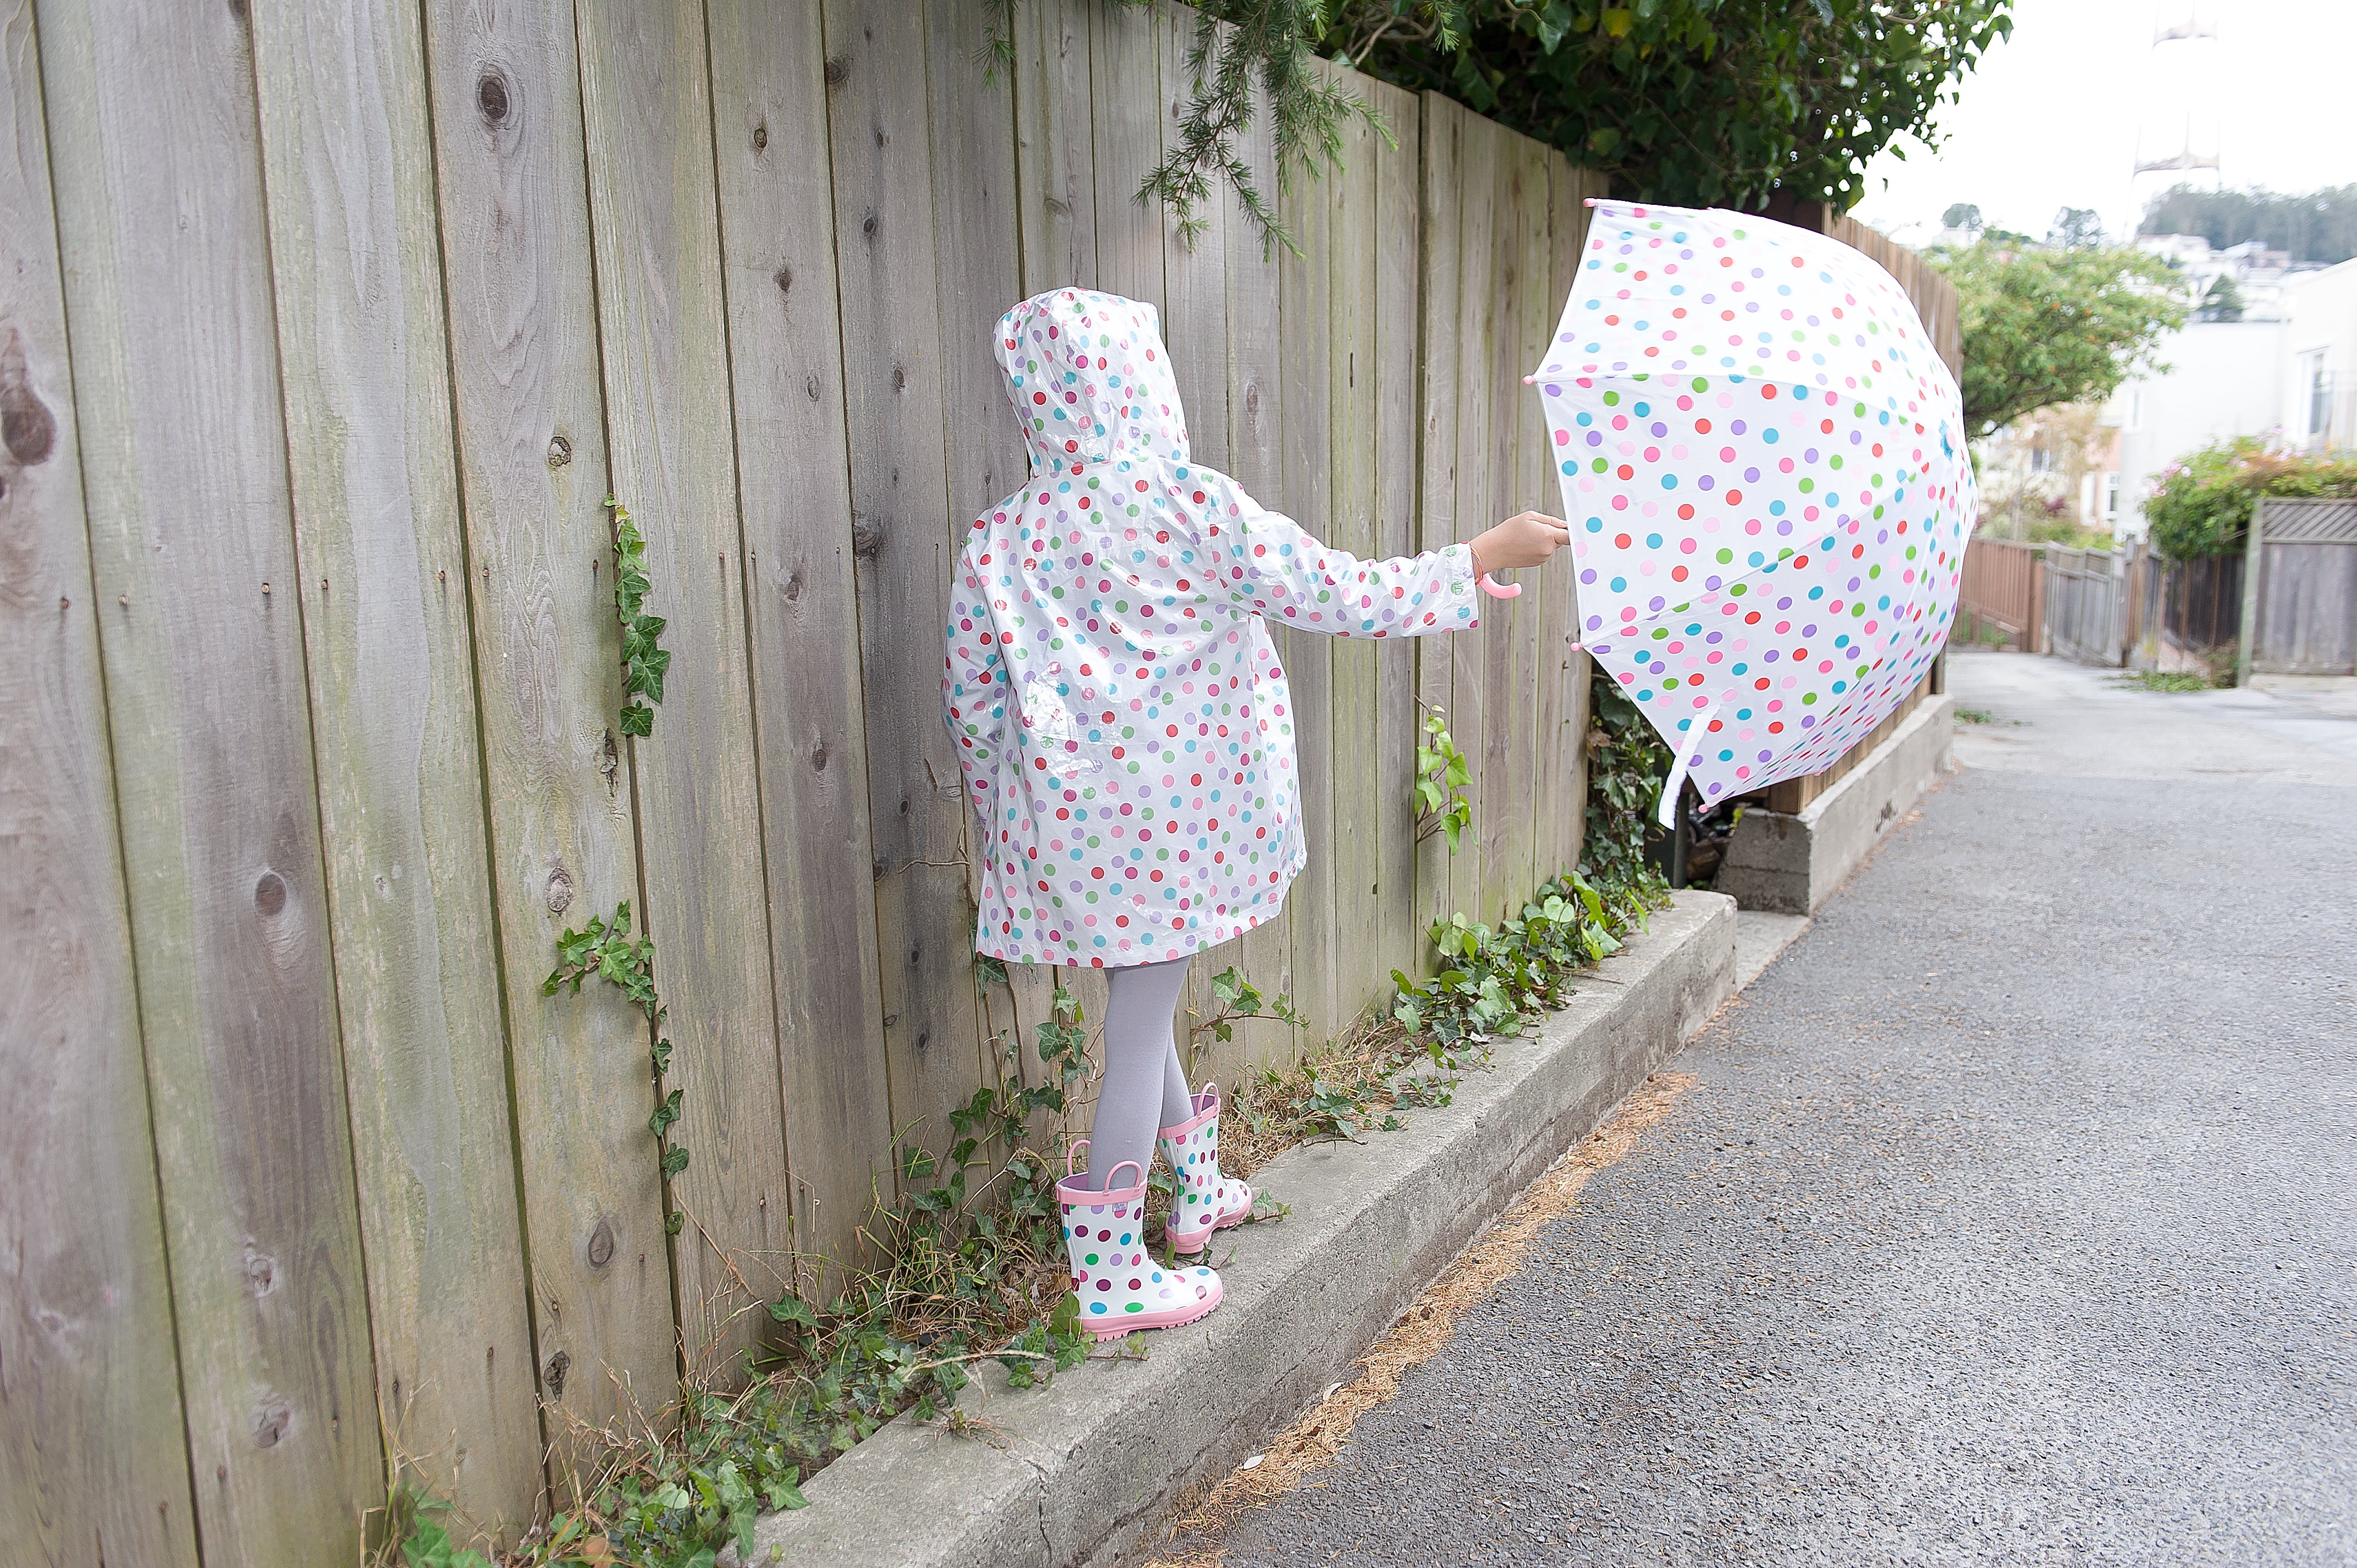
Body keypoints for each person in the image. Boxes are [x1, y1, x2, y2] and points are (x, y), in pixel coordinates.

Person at [942, 288, 1567, 1338]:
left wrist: (1008, 807)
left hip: (1074, 831)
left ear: (1039, 401)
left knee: (1146, 992)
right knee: (1141, 1018)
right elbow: (1346, 593)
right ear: (1146, 383)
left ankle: (1195, 1199)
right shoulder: (1194, 509)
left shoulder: (1002, 541)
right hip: (1179, 821)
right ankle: (1109, 1275)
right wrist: (1479, 556)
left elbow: (971, 697)